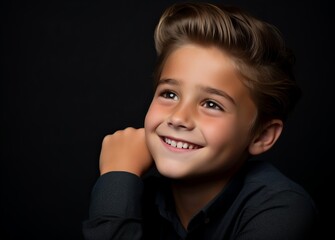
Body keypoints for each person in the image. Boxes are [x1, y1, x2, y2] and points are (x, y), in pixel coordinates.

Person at [82, 2, 317, 239]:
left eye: (211, 104)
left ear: (262, 135)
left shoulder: (282, 210)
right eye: (169, 94)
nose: (178, 117)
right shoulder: (136, 196)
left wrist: (117, 178)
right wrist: (123, 180)